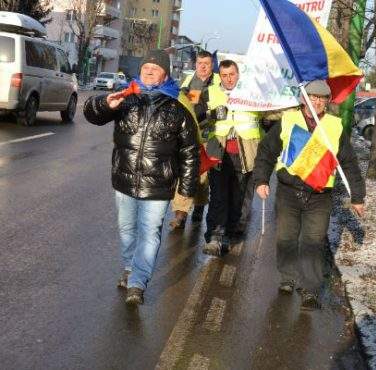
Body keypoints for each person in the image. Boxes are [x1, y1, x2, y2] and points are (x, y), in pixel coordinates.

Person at [83, 50, 200, 305]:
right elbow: (91, 115)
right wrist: (104, 103)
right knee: (126, 229)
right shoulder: (126, 99)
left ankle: (138, 282)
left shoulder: (176, 107)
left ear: (165, 74)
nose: (149, 71)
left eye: (155, 68)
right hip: (124, 180)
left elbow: (189, 151)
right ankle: (129, 267)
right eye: (146, 66)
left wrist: (187, 189)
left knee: (150, 233)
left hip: (158, 185)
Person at [253, 80, 365, 310]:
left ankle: (310, 289)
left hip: (320, 195)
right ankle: (287, 277)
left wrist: (358, 196)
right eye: (313, 97)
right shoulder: (289, 120)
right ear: (304, 98)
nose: (317, 102)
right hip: (288, 191)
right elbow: (266, 151)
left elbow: (349, 162)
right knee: (286, 238)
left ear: (327, 101)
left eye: (322, 98)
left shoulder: (335, 126)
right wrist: (261, 179)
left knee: (313, 242)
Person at [201, 59, 263, 255]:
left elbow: (271, 116)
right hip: (218, 154)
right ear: (220, 75)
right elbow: (198, 117)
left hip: (244, 155)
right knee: (218, 196)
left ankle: (228, 233)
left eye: (232, 75)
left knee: (238, 198)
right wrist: (211, 116)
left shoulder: (253, 94)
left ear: (238, 74)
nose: (229, 79)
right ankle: (214, 236)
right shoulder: (210, 92)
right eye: (225, 75)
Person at [170, 50, 220, 230]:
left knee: (202, 176)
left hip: (209, 136)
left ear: (212, 65)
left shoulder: (218, 82)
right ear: (195, 64)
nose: (203, 66)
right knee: (186, 173)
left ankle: (199, 205)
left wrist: (207, 111)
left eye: (206, 63)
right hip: (190, 134)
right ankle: (180, 214)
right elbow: (186, 104)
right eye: (200, 63)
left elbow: (217, 108)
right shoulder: (190, 81)